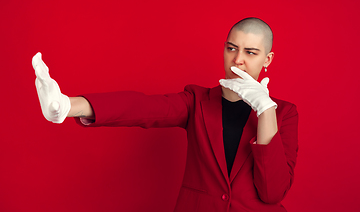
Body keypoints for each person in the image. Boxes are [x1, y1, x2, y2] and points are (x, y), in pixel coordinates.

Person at [32, 17, 298, 212]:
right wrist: (68, 105)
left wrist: (266, 110)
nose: (238, 60)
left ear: (268, 59)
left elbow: (271, 192)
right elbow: (142, 108)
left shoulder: (284, 113)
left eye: (251, 52)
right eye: (231, 48)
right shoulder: (197, 101)